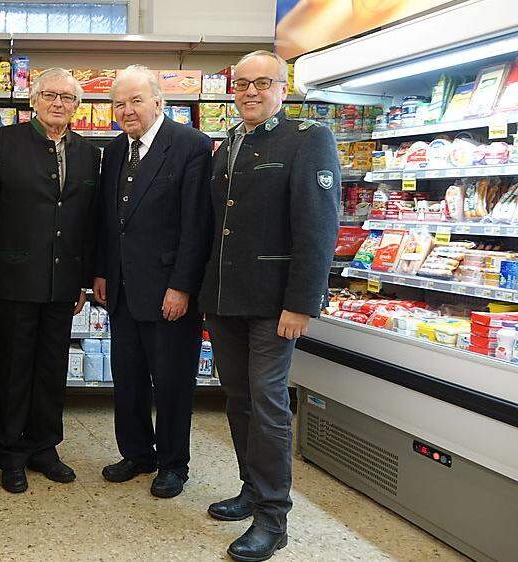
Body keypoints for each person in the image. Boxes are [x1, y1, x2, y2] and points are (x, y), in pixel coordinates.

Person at [198, 50, 340, 562]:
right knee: (236, 396)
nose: (251, 92)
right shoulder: (228, 144)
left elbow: (319, 226)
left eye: (263, 83)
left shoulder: (307, 139)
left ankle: (273, 517)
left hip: (275, 303)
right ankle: (251, 489)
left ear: (284, 88)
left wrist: (302, 302)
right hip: (225, 298)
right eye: (242, 84)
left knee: (269, 404)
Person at [93, 65, 213, 499]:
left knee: (173, 381)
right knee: (127, 377)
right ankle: (137, 453)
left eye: (135, 101)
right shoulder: (113, 151)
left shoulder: (191, 146)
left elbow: (196, 225)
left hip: (168, 291)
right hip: (123, 288)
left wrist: (182, 286)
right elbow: (111, 222)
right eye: (119, 103)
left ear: (158, 101)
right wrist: (103, 271)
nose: (127, 110)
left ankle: (172, 464)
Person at [0, 68, 101, 494]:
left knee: (52, 366)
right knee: (14, 366)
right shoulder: (5, 143)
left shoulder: (88, 153)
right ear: (33, 99)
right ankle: (10, 453)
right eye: (50, 95)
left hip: (64, 281)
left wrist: (85, 280)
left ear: (77, 106)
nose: (58, 103)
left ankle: (45, 448)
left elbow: (89, 221)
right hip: (17, 277)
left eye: (68, 98)